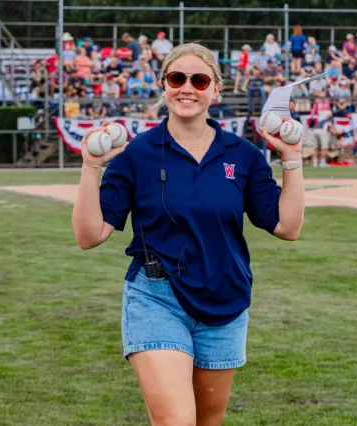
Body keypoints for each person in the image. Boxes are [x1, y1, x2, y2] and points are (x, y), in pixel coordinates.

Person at [72, 42, 305, 426]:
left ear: (215, 89)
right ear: (163, 85)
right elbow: (89, 235)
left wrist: (292, 159)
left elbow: (287, 227)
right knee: (176, 421)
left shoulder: (242, 154)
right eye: (177, 78)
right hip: (156, 298)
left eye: (199, 80)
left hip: (225, 299)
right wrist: (90, 167)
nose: (187, 88)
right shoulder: (137, 154)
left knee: (207, 422)